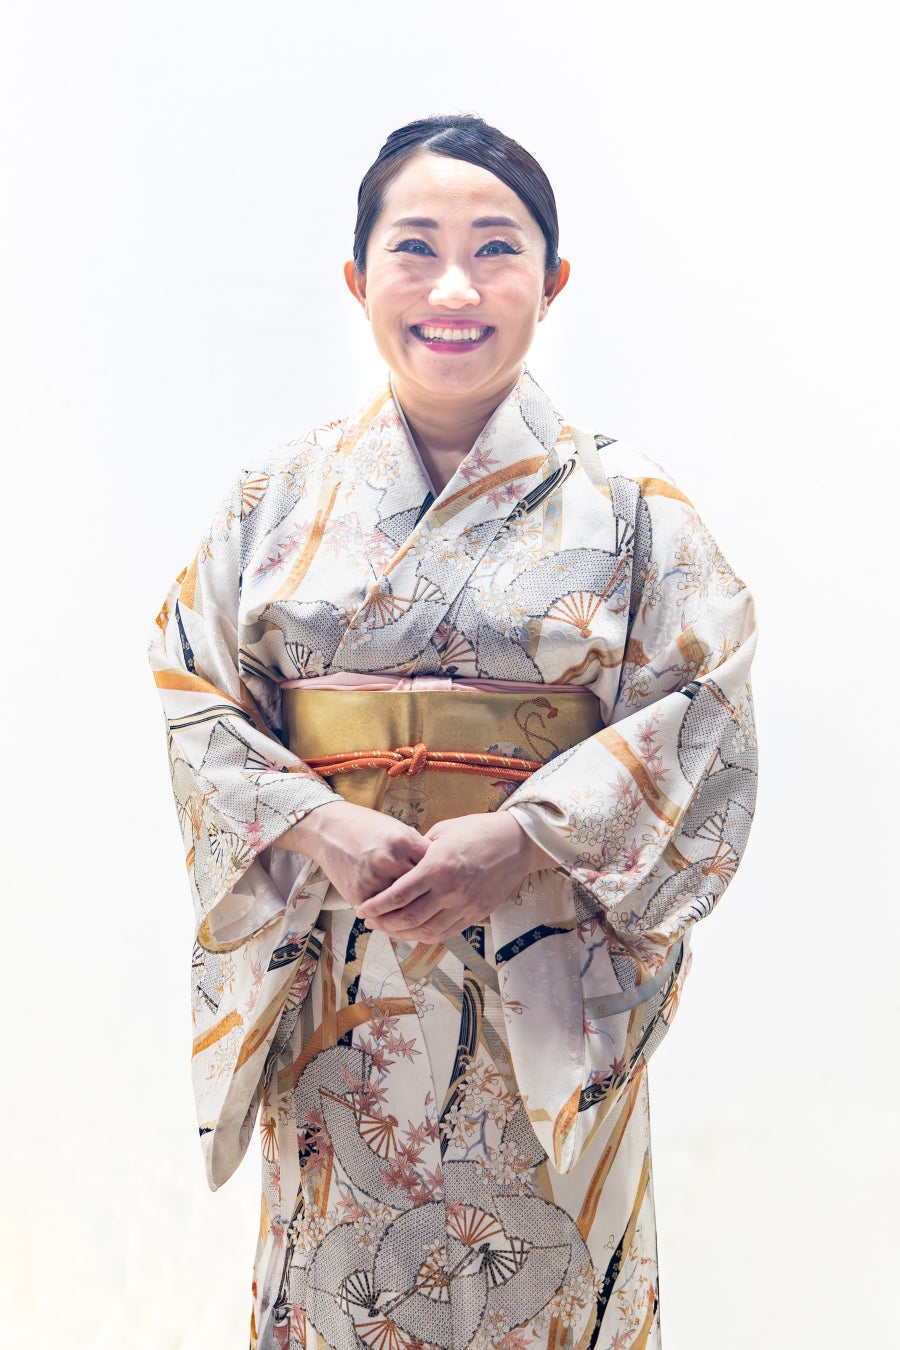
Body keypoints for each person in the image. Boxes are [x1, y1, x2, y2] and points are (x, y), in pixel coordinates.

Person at [149, 114, 757, 1350]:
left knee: (547, 1276)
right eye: (416, 247)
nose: (454, 288)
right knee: (343, 1285)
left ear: (553, 279)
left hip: (546, 968)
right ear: (358, 276)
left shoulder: (636, 512)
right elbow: (191, 686)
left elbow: (706, 710)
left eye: (496, 248)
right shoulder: (275, 502)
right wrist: (320, 824)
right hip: (342, 968)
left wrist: (522, 837)